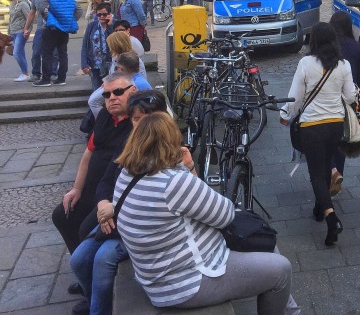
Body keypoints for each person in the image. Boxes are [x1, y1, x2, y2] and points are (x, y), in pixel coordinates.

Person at [114, 111, 296, 314]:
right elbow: (225, 215)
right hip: (187, 281)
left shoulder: (126, 175)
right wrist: (189, 166)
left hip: (156, 274)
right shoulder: (173, 182)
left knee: (263, 241)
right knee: (281, 269)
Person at [69, 89, 169, 315]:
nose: (142, 125)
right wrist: (104, 203)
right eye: (136, 119)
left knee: (103, 259)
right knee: (79, 259)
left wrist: (113, 211)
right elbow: (106, 179)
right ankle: (93, 300)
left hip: (137, 225)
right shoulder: (128, 143)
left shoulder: (169, 147)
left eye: (148, 119)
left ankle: (99, 310)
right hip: (113, 218)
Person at [281, 22, 357, 246]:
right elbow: (351, 96)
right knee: (325, 167)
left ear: (313, 40)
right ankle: (318, 207)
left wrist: (285, 115)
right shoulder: (343, 65)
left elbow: (296, 95)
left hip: (311, 126)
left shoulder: (305, 63)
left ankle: (330, 217)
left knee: (316, 172)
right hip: (335, 125)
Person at [51, 74, 137, 254]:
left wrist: (106, 203)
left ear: (133, 91)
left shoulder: (137, 123)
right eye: (106, 95)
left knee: (85, 230)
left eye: (118, 92)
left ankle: (86, 269)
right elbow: (89, 153)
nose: (112, 98)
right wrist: (77, 189)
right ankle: (81, 268)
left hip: (113, 195)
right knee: (61, 216)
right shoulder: (105, 115)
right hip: (92, 188)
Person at [328, 10, 360, 196]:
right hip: (347, 98)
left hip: (328, 97)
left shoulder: (327, 46)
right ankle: (338, 175)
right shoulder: (354, 47)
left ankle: (331, 170)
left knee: (325, 139)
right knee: (342, 139)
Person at [32, 0, 82, 87]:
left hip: (51, 29)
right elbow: (79, 10)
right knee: (62, 53)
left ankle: (46, 79)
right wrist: (70, 20)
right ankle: (61, 78)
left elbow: (41, 9)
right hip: (65, 29)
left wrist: (51, 20)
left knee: (47, 53)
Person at [21, 0, 59, 83]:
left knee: (54, 52)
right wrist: (26, 28)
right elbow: (31, 14)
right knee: (36, 52)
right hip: (40, 29)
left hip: (53, 28)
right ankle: (36, 73)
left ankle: (53, 73)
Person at [81, 3, 113, 90]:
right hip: (94, 65)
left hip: (110, 65)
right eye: (99, 14)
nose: (102, 16)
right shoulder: (91, 26)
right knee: (96, 91)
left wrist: (110, 26)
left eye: (104, 14)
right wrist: (84, 64)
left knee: (109, 90)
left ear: (109, 14)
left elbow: (114, 41)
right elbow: (85, 45)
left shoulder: (113, 26)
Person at [7, 0, 31, 81]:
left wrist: (27, 30)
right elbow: (11, 19)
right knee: (20, 52)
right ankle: (25, 73)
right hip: (13, 32)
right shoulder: (12, 4)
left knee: (16, 53)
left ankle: (25, 73)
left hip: (21, 31)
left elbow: (30, 17)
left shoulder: (23, 4)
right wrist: (9, 31)